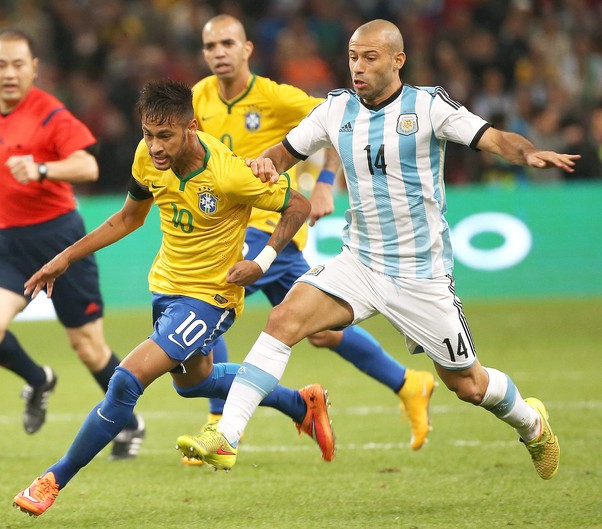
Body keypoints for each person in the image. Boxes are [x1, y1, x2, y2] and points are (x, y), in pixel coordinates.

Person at [178, 19, 578, 480]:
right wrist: (257, 168)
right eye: (353, 58)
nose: (358, 67)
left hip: (420, 275)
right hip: (360, 262)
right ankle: (226, 437)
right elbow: (284, 152)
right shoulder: (336, 110)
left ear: (397, 60)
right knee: (283, 320)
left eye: (370, 58)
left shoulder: (428, 106)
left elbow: (494, 138)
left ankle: (532, 425)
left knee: (467, 384)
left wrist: (526, 153)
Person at [12, 79, 333, 517]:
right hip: (166, 288)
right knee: (195, 384)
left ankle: (52, 479)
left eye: (165, 136)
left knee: (126, 380)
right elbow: (128, 218)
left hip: (211, 298)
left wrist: (262, 260)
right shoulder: (147, 158)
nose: (155, 146)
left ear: (191, 128)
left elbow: (295, 205)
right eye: (148, 134)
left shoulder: (229, 174)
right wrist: (63, 258)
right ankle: (301, 403)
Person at [183, 14, 436, 462]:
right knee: (319, 332)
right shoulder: (198, 97)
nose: (218, 53)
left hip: (269, 225)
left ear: (247, 50)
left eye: (228, 43)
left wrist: (323, 182)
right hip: (224, 224)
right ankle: (407, 382)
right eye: (210, 46)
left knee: (214, 289)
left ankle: (218, 422)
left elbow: (345, 123)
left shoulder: (276, 97)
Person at [0, 28, 145, 460]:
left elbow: (87, 165)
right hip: (12, 243)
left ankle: (129, 423)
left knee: (88, 347)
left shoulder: (51, 113)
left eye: (18, 64)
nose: (10, 73)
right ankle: (38, 380)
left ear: (34, 68)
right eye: (1, 64)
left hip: (63, 242)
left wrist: (42, 170)